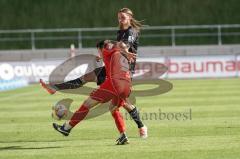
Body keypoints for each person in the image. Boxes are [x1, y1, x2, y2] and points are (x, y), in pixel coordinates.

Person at [40, 8, 147, 141]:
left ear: (130, 18)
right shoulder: (121, 31)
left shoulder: (131, 31)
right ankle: (134, 130)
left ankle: (139, 127)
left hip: (121, 72)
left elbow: (123, 45)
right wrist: (106, 56)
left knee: (112, 101)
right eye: (119, 17)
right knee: (112, 101)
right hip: (116, 69)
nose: (120, 19)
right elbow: (119, 49)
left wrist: (118, 50)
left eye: (123, 17)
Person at [53, 40, 136, 145]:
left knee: (87, 104)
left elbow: (113, 45)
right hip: (127, 86)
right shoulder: (119, 55)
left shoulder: (106, 49)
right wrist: (125, 51)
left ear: (102, 48)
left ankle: (67, 128)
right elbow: (117, 49)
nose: (99, 53)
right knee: (113, 109)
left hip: (114, 83)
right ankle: (123, 135)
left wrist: (120, 49)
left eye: (99, 51)